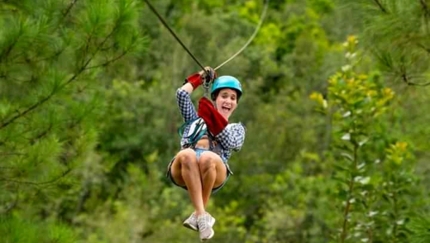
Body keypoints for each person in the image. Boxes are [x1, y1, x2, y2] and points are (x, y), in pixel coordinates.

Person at [166, 67, 246, 241]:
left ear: (236, 104)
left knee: (208, 157)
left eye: (233, 98)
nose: (228, 101)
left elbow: (231, 143)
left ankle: (199, 215)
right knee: (188, 154)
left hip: (213, 170)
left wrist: (213, 119)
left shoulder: (236, 129)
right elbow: (181, 94)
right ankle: (202, 216)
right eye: (224, 96)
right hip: (185, 166)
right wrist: (200, 78)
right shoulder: (195, 120)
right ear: (215, 98)